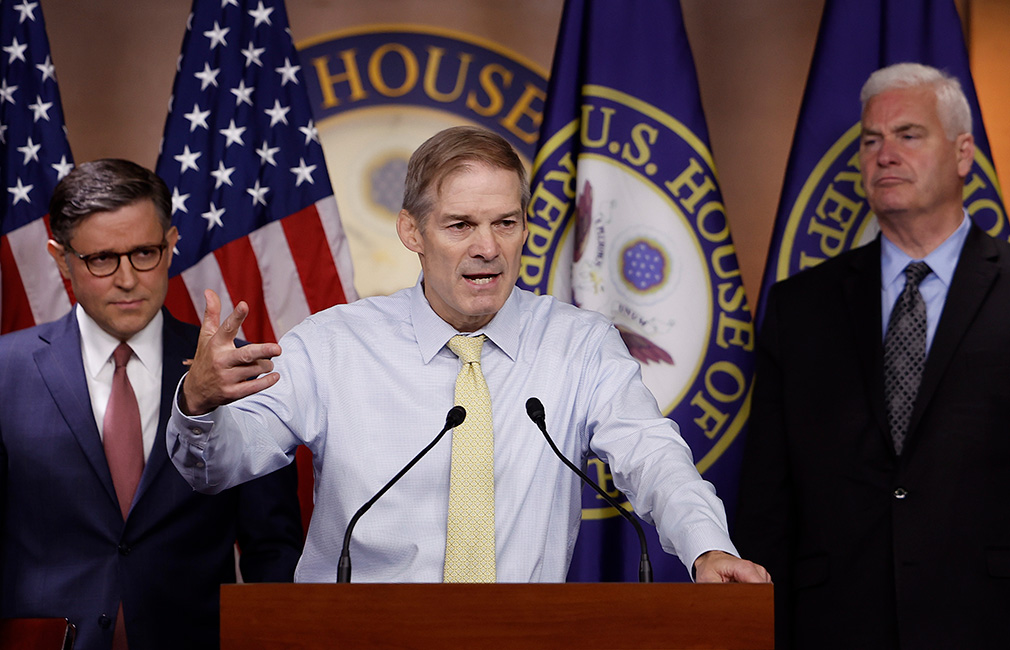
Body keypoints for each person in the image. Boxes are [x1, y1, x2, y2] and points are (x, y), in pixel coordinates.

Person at [167, 125, 769, 585]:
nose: (488, 248)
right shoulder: (334, 344)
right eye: (460, 225)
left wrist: (707, 546)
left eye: (506, 223)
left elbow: (652, 456)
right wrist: (198, 405)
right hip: (361, 639)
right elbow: (216, 468)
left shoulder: (579, 345)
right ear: (412, 232)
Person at [735, 63, 1010, 649]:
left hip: (987, 620)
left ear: (963, 153)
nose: (885, 155)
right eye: (870, 140)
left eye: (908, 135)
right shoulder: (799, 306)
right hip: (835, 624)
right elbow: (767, 500)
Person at [0, 159, 303, 650]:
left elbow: (273, 549)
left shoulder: (235, 371)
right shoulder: (6, 371)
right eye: (102, 259)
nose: (127, 279)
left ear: (171, 244)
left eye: (144, 253)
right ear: (61, 260)